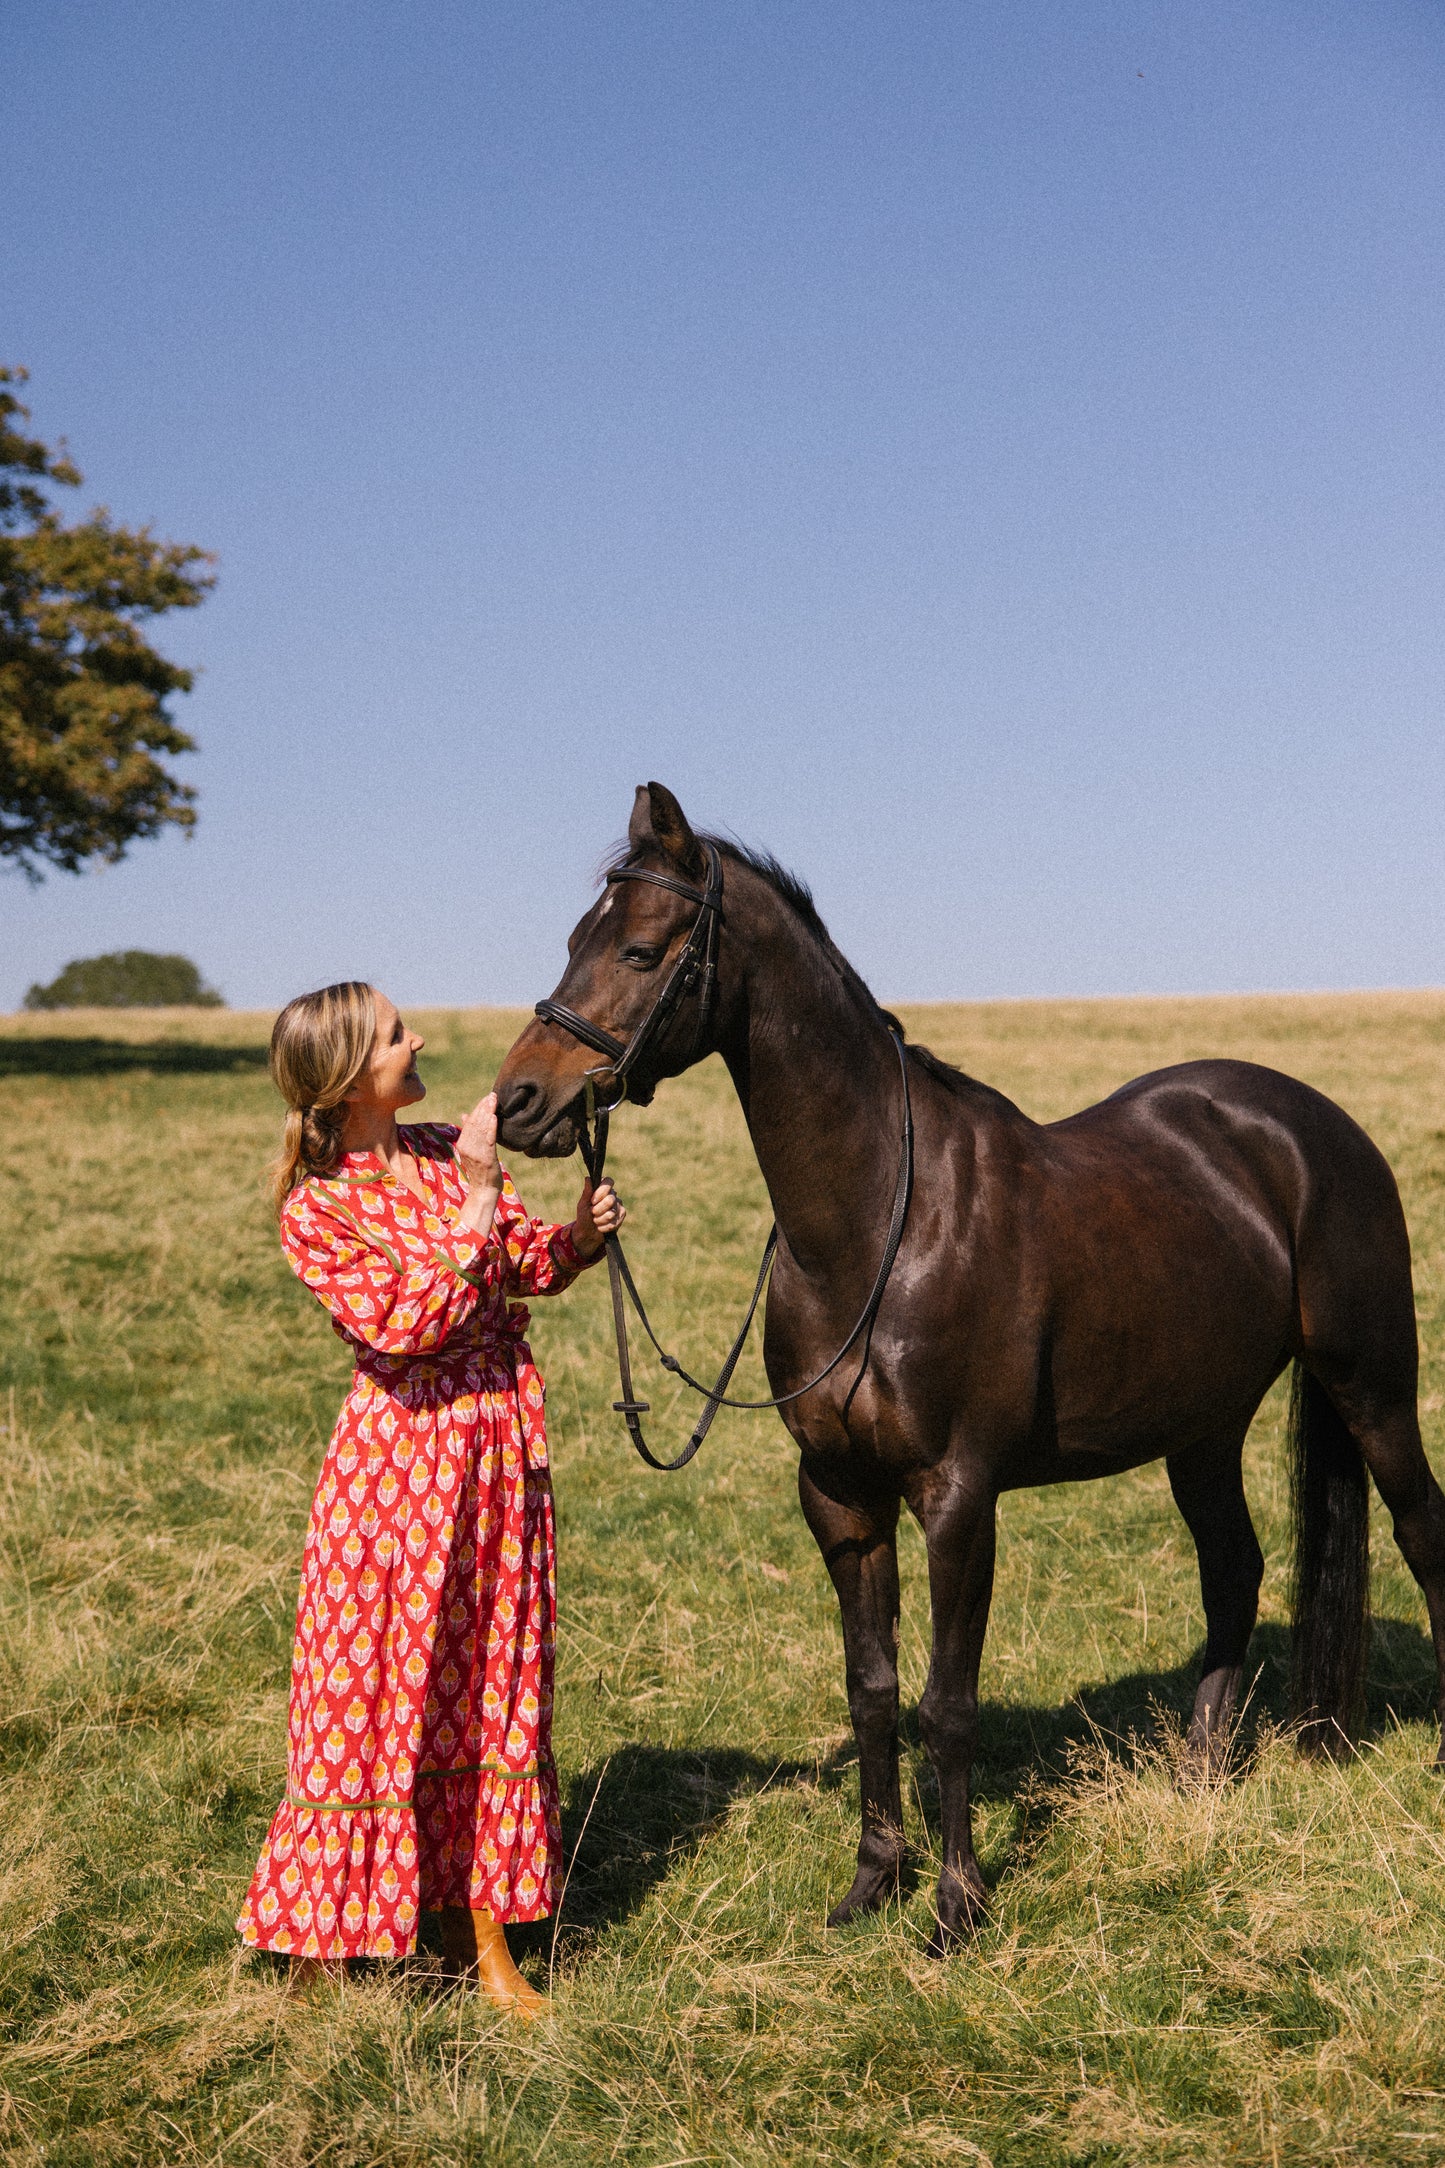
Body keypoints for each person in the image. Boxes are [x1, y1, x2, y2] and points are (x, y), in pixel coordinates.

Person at [236, 981, 622, 2015]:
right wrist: (479, 1195)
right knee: (370, 1692)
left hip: (497, 1452)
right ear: (355, 1072)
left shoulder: (443, 1143)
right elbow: (411, 1321)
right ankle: (328, 1940)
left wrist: (574, 1238)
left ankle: (478, 1936)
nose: (421, 1039)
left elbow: (511, 1267)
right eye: (398, 1032)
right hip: (398, 1471)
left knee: (491, 1678)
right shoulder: (316, 1206)